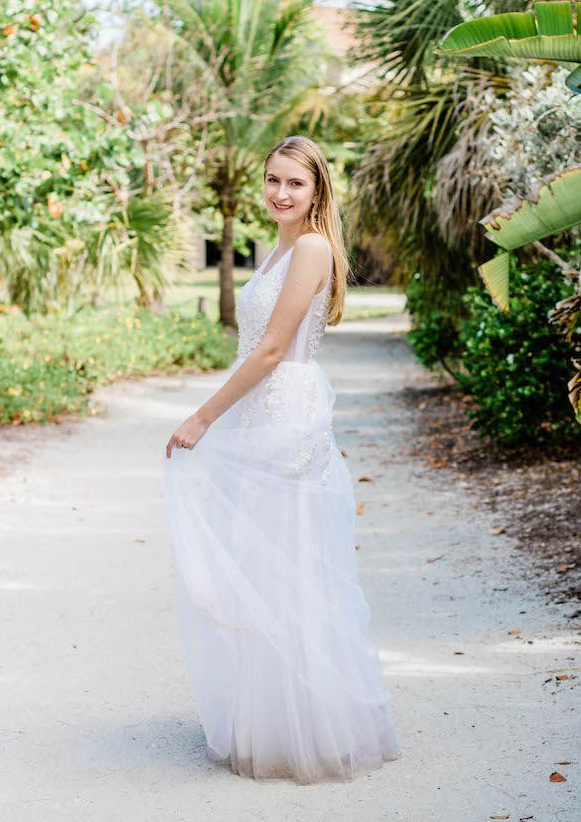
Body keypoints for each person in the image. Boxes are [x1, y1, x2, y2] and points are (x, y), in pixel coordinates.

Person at [163, 134, 402, 785]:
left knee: (288, 562)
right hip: (259, 411)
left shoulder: (313, 247)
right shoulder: (280, 246)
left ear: (317, 189)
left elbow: (270, 351)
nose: (279, 193)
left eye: (294, 183)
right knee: (258, 559)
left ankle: (307, 728)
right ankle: (266, 716)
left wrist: (202, 416)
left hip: (284, 413)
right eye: (272, 179)